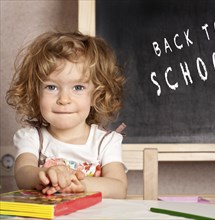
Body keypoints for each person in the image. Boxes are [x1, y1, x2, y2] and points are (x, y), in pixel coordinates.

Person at [6, 31, 127, 199]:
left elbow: (119, 187)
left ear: (96, 95)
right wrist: (46, 174)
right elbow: (23, 174)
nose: (64, 99)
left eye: (78, 87)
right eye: (51, 87)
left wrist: (79, 184)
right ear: (36, 93)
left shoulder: (105, 142)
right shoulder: (32, 138)